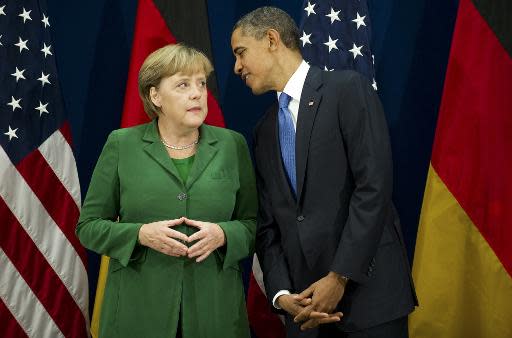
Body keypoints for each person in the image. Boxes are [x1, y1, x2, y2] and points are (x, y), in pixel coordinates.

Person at [231, 6, 417, 338]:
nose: (237, 67)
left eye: (241, 52)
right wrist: (282, 295)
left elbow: (373, 188)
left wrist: (339, 277)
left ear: (272, 39)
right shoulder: (263, 132)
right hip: (305, 314)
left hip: (370, 302)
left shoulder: (347, 89)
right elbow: (268, 226)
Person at [76, 44, 257, 338]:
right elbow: (88, 228)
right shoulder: (122, 144)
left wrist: (224, 234)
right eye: (183, 84)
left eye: (201, 83)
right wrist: (139, 235)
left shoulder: (232, 145)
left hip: (215, 312)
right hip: (137, 313)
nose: (197, 93)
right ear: (155, 95)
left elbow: (252, 224)